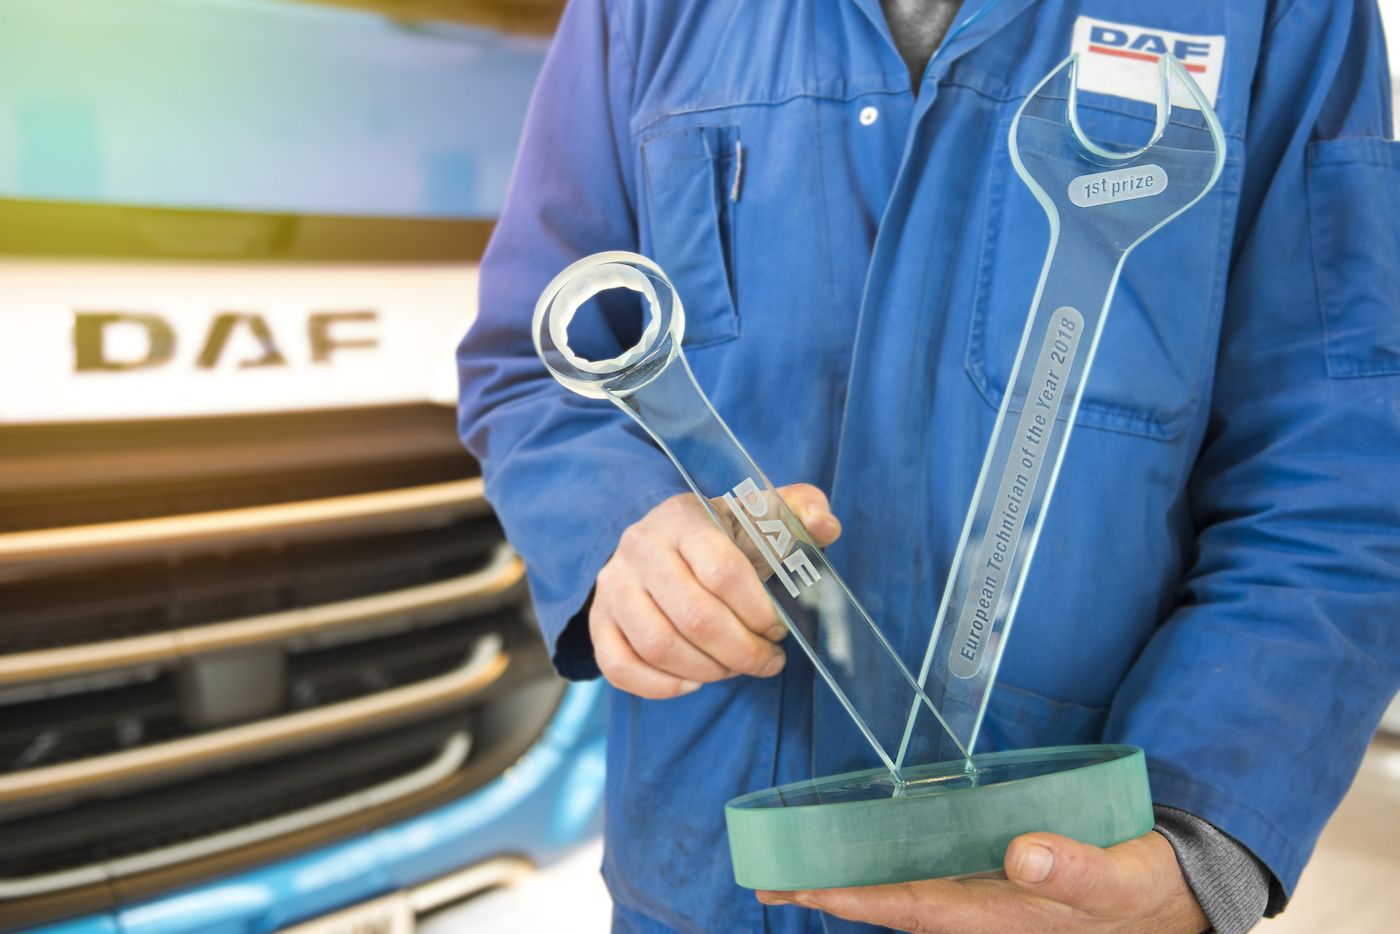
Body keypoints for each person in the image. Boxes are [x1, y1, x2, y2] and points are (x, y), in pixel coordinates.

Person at [457, 1, 1400, 931]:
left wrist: (1204, 838)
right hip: (706, 875)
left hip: (1076, 873)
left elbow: (1340, 465)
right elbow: (528, 369)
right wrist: (620, 530)